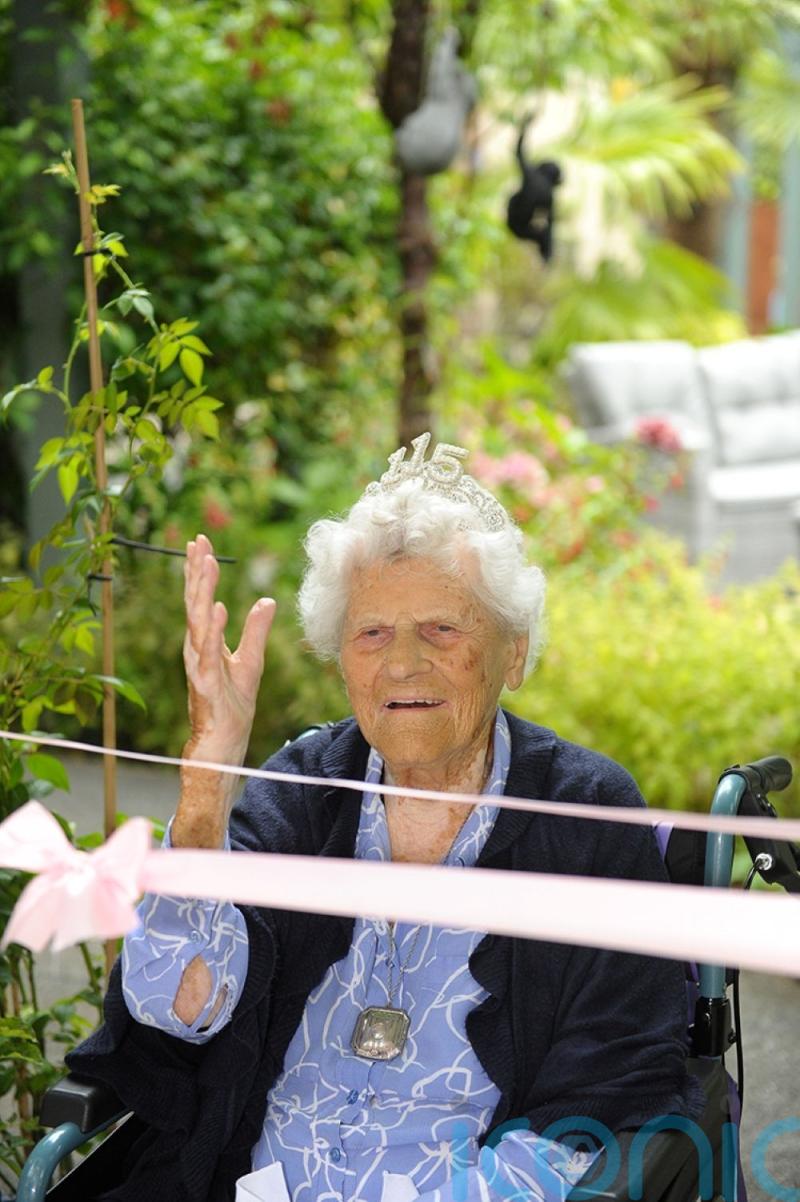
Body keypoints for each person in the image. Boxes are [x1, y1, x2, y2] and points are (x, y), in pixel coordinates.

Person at [68, 434, 701, 1202]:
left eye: (442, 628)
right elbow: (182, 1006)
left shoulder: (588, 816)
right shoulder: (300, 794)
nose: (402, 662)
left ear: (514, 653)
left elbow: (614, 1080)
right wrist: (207, 784)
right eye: (371, 634)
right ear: (342, 659)